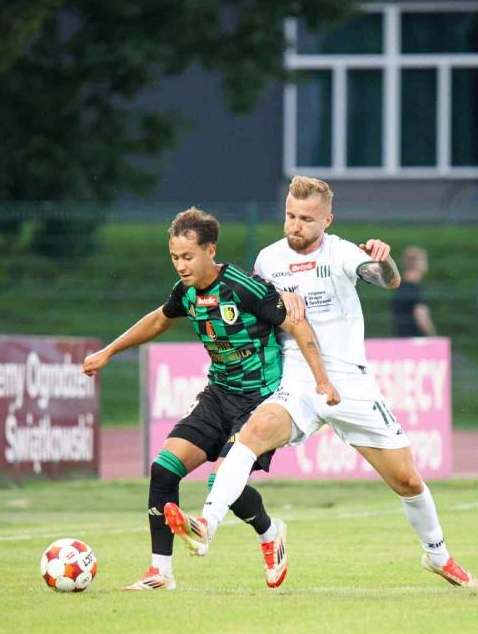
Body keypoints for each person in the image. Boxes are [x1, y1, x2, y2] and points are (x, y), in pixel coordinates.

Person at [164, 176, 478, 589]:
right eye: (291, 216)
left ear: (327, 220)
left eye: (307, 219)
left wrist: (385, 261)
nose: (295, 225)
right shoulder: (268, 260)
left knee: (407, 479)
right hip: (298, 377)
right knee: (254, 431)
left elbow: (386, 279)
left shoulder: (341, 252)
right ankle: (207, 524)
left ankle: (437, 556)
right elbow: (257, 309)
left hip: (348, 381)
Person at [81, 207, 338, 591]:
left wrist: (321, 379)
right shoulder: (185, 292)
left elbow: (297, 324)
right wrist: (109, 351)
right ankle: (160, 572)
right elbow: (158, 319)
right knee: (163, 470)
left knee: (222, 481)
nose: (180, 265)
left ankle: (270, 532)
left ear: (210, 251)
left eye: (187, 256)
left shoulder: (243, 287)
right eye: (174, 257)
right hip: (218, 395)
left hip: (260, 399)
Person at [391, 246, 436, 337]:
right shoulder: (414, 288)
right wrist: (433, 336)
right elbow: (421, 316)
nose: (426, 264)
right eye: (424, 261)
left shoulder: (400, 286)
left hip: (402, 338)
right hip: (416, 340)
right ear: (417, 263)